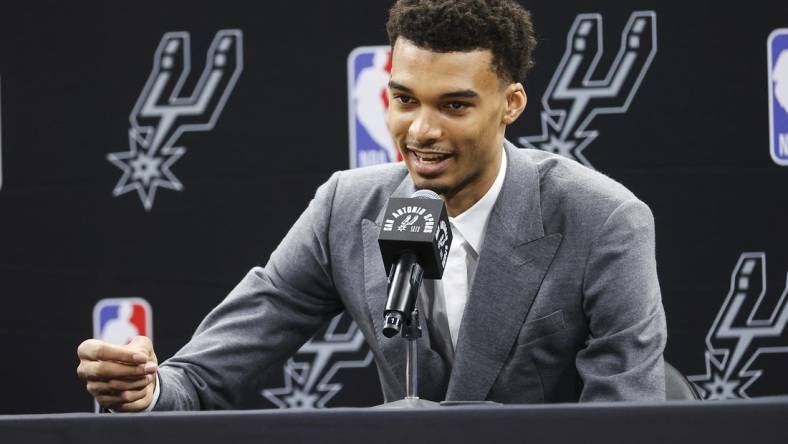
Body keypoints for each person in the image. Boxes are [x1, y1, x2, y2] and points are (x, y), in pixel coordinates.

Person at [77, 0, 667, 411]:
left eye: (454, 106)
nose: (421, 130)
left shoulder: (603, 220)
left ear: (511, 103)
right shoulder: (347, 207)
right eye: (404, 99)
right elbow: (204, 375)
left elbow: (626, 421)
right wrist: (144, 391)